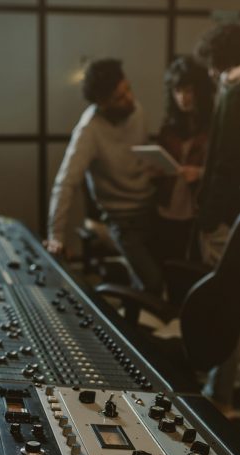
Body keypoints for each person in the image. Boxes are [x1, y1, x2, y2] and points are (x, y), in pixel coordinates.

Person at [46, 59, 163, 295]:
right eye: (119, 98)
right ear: (102, 103)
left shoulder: (136, 109)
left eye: (128, 89)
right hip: (121, 220)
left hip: (151, 208)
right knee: (153, 283)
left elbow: (137, 155)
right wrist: (56, 235)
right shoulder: (89, 130)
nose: (129, 98)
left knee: (176, 274)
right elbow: (65, 183)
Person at [194, 23, 240, 416]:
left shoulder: (233, 93)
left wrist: (208, 219)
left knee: (225, 301)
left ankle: (219, 392)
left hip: (226, 217)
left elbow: (225, 166)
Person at [155, 55, 214, 262]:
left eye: (188, 90)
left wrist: (199, 173)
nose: (183, 98)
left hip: (197, 210)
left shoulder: (214, 125)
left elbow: (227, 172)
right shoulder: (169, 126)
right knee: (169, 262)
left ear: (200, 91)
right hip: (167, 207)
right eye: (177, 91)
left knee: (192, 266)